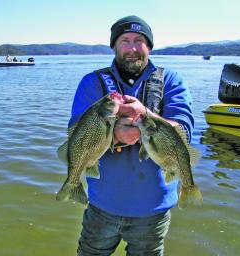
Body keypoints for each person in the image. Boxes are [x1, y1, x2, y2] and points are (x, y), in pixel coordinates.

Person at [69, 15, 194, 256]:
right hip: (102, 206)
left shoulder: (171, 80)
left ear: (149, 46)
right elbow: (76, 132)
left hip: (153, 210)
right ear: (114, 46)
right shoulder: (92, 82)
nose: (132, 48)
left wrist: (145, 114)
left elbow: (184, 131)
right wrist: (115, 135)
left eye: (139, 40)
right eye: (124, 40)